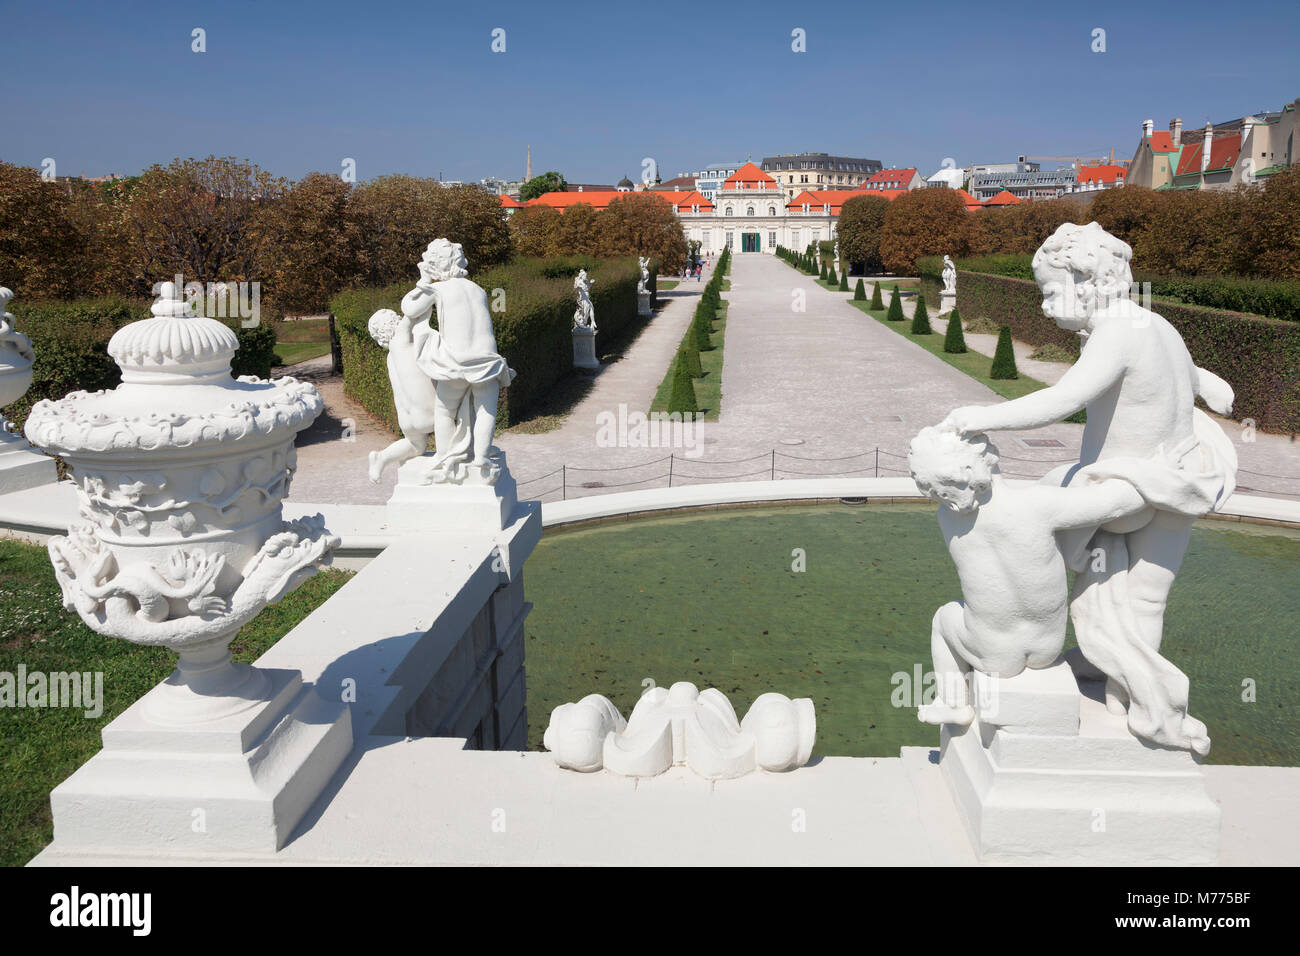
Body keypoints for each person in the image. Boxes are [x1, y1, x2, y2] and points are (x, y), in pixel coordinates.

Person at [940, 223, 1235, 752]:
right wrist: (1208, 388)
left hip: (1120, 486)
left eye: (1052, 291)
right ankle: (1133, 703)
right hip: (1179, 476)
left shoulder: (1115, 331)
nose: (1048, 306)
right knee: (1146, 599)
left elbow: (1063, 399)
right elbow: (1211, 388)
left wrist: (978, 415)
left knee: (1025, 524)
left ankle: (1025, 646)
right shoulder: (1156, 325)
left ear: (1086, 278)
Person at [908, 426, 1160, 730]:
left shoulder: (947, 518)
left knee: (944, 617)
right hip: (1048, 647)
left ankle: (953, 703)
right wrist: (1154, 468)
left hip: (994, 654)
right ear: (989, 458)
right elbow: (1119, 503)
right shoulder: (1038, 504)